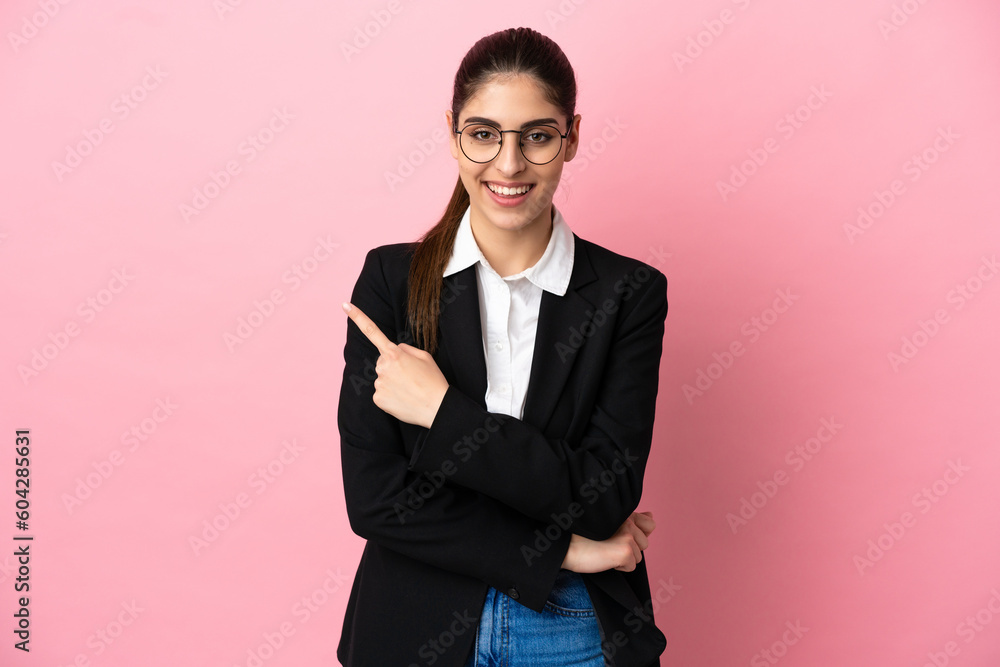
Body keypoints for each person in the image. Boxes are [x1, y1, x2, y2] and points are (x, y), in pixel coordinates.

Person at [337, 26, 668, 667]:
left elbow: (603, 496)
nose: (508, 164)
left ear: (571, 136)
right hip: (413, 623)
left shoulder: (629, 294)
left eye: (536, 136)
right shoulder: (390, 282)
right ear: (453, 132)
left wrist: (441, 413)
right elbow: (376, 499)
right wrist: (564, 549)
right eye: (484, 133)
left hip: (571, 626)